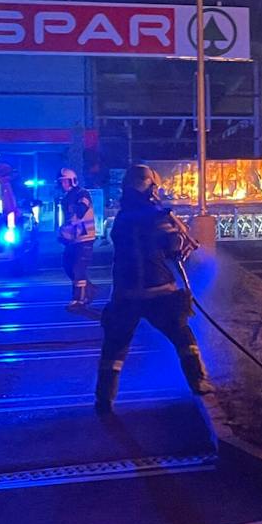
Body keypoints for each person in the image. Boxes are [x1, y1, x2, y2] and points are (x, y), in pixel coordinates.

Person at [94, 164, 214, 415]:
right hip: (158, 289)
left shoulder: (123, 216)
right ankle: (199, 381)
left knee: (114, 347)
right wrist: (181, 237)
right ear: (150, 187)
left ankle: (104, 400)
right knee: (182, 337)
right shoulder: (157, 216)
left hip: (125, 292)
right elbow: (174, 248)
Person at [56, 167, 97, 312]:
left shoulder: (82, 193)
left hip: (85, 238)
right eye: (60, 182)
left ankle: (79, 300)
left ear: (72, 181)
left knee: (78, 268)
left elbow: (79, 212)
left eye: (64, 181)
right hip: (73, 239)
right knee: (68, 266)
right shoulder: (66, 198)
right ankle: (89, 289)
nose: (62, 184)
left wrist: (66, 230)